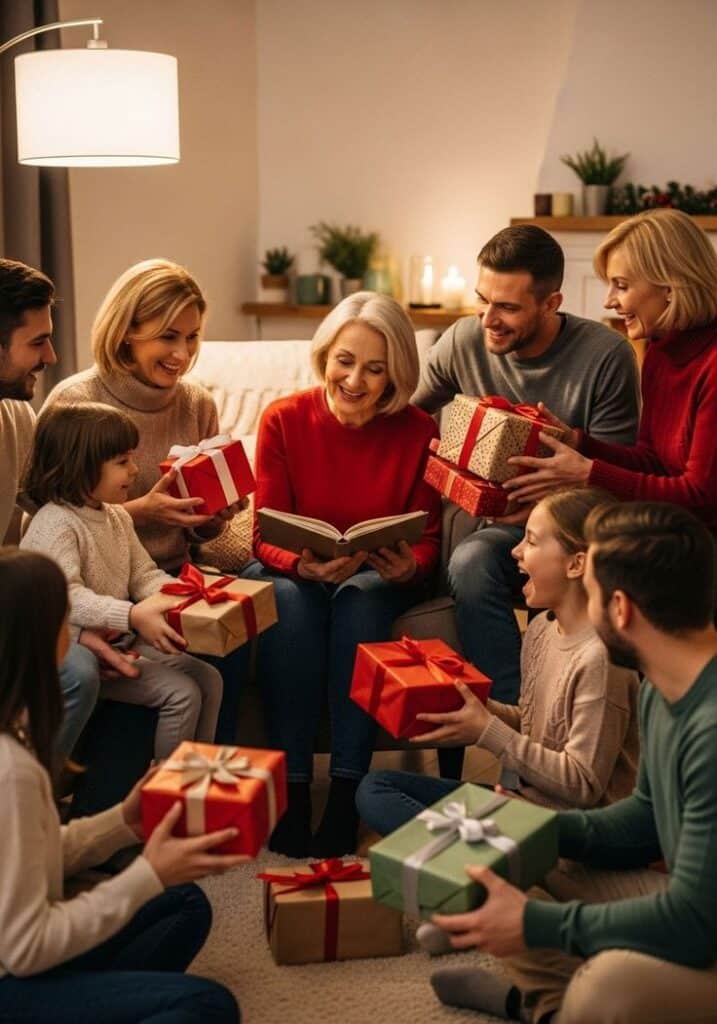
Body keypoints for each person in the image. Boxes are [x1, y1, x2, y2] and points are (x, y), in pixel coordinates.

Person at [425, 502, 717, 1024]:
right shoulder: (665, 683)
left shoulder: (709, 728)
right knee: (504, 868)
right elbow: (644, 819)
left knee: (603, 991)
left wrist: (539, 926)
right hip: (690, 904)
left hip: (702, 921)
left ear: (621, 608)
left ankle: (549, 1005)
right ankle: (546, 1004)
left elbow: (694, 922)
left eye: (595, 591)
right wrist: (532, 830)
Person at [0, 546, 241, 1024]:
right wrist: (147, 871)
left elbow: (30, 855)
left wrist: (122, 823)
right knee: (206, 1005)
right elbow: (26, 948)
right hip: (11, 981)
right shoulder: (12, 769)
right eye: (66, 622)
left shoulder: (15, 737)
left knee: (182, 903)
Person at [242, 292, 441, 858]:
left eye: (375, 369)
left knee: (359, 596)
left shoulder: (418, 429)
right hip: (295, 571)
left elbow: (426, 542)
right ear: (325, 354)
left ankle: (347, 793)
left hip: (374, 577)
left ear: (395, 375)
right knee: (292, 599)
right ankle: (295, 791)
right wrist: (301, 563)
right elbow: (262, 536)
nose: (354, 380)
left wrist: (411, 567)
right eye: (345, 361)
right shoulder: (284, 418)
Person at [413, 225, 640, 703]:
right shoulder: (462, 341)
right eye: (482, 300)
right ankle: (518, 714)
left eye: (508, 308)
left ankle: (541, 727)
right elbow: (407, 417)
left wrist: (544, 513)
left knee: (537, 561)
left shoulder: (606, 356)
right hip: (493, 525)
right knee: (470, 560)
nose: (487, 319)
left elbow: (616, 483)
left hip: (577, 526)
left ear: (551, 303)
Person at [43, 259, 249, 743]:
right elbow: (50, 520)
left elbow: (199, 534)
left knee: (240, 622)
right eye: (168, 336)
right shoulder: (75, 402)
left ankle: (217, 774)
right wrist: (142, 512)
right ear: (127, 333)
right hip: (99, 587)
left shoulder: (197, 403)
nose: (183, 353)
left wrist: (213, 519)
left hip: (165, 574)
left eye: (193, 337)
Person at [357, 487, 639, 830]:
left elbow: (581, 784)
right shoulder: (541, 632)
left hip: (571, 829)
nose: (516, 552)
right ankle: (480, 858)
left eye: (532, 542)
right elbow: (534, 725)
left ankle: (489, 861)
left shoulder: (601, 659)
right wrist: (478, 713)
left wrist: (487, 731)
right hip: (522, 804)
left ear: (576, 564)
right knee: (376, 788)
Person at [21, 403, 223, 758]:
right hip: (76, 650)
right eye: (122, 461)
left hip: (118, 640)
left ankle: (195, 781)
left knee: (210, 679)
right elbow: (66, 598)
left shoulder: (116, 517)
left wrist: (184, 596)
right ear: (79, 466)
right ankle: (167, 793)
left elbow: (143, 575)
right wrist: (130, 615)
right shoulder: (56, 524)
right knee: (182, 694)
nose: (135, 469)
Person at [503, 210, 717, 544]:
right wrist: (578, 443)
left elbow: (702, 499)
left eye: (622, 285)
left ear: (671, 287)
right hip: (670, 534)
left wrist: (588, 475)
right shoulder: (660, 353)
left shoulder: (712, 366)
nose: (609, 301)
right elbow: (653, 462)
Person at [0, 257, 140, 756]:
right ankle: (22, 809)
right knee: (78, 672)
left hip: (20, 604)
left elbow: (66, 506)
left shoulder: (16, 414)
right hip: (15, 610)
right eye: (37, 342)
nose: (53, 355)